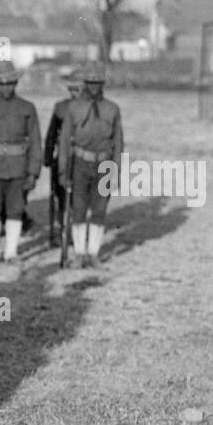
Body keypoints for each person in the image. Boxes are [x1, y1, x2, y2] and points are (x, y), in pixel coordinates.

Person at [0, 61, 41, 264]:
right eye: (1, 84)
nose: (5, 88)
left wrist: (32, 172)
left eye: (10, 83)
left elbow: (35, 142)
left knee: (15, 210)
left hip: (17, 168)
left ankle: (11, 252)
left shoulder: (27, 108)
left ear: (16, 83)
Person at [58, 62, 123, 269]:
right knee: (78, 209)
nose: (94, 87)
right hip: (79, 163)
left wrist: (116, 171)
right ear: (84, 84)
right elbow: (65, 140)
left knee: (99, 209)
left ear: (103, 84)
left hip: (104, 164)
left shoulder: (112, 109)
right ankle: (78, 253)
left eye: (98, 82)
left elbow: (119, 143)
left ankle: (93, 253)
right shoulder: (74, 108)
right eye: (90, 83)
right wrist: (62, 169)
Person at [41, 70, 82, 248]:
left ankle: (78, 230)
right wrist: (48, 157)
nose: (75, 92)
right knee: (61, 195)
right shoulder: (61, 107)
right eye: (72, 89)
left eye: (79, 88)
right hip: (63, 157)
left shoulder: (94, 107)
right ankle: (61, 228)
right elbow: (52, 134)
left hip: (83, 158)